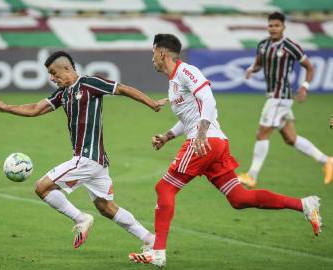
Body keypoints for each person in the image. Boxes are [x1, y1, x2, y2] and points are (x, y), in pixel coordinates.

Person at [128, 34, 322, 268]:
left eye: (153, 53)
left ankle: (157, 252)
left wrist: (200, 133)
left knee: (165, 187)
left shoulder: (187, 71)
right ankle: (304, 204)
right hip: (215, 144)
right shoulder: (174, 83)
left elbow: (209, 100)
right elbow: (189, 117)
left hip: (204, 141)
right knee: (239, 198)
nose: (152, 59)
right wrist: (167, 136)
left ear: (162, 53)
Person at [0, 51, 167, 251]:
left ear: (66, 68)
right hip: (95, 162)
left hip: (87, 158)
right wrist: (6, 107)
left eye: (53, 73)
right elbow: (35, 109)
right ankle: (150, 240)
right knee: (106, 208)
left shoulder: (89, 84)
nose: (52, 78)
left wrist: (151, 103)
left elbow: (122, 89)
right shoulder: (62, 94)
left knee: (42, 187)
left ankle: (81, 219)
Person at [238, 12, 332, 187]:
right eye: (271, 25)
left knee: (262, 134)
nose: (273, 28)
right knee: (291, 138)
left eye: (277, 25)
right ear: (268, 27)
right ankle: (327, 160)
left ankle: (252, 175)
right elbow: (259, 63)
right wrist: (252, 69)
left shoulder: (290, 46)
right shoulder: (263, 44)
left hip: (280, 96)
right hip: (274, 96)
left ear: (283, 27)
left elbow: (309, 68)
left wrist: (305, 86)